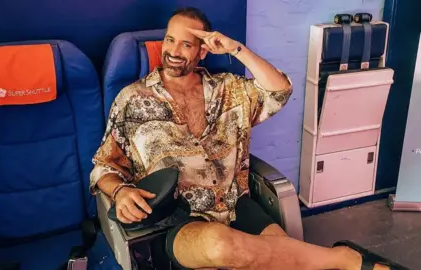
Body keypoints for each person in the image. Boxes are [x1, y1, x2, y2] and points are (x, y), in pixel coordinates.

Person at [90, 7, 394, 270]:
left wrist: (237, 49)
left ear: (202, 51)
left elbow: (279, 91)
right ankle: (344, 258)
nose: (173, 50)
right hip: (178, 218)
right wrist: (118, 192)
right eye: (170, 39)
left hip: (236, 203)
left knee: (283, 259)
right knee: (221, 247)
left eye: (186, 44)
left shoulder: (230, 90)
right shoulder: (131, 99)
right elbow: (104, 166)